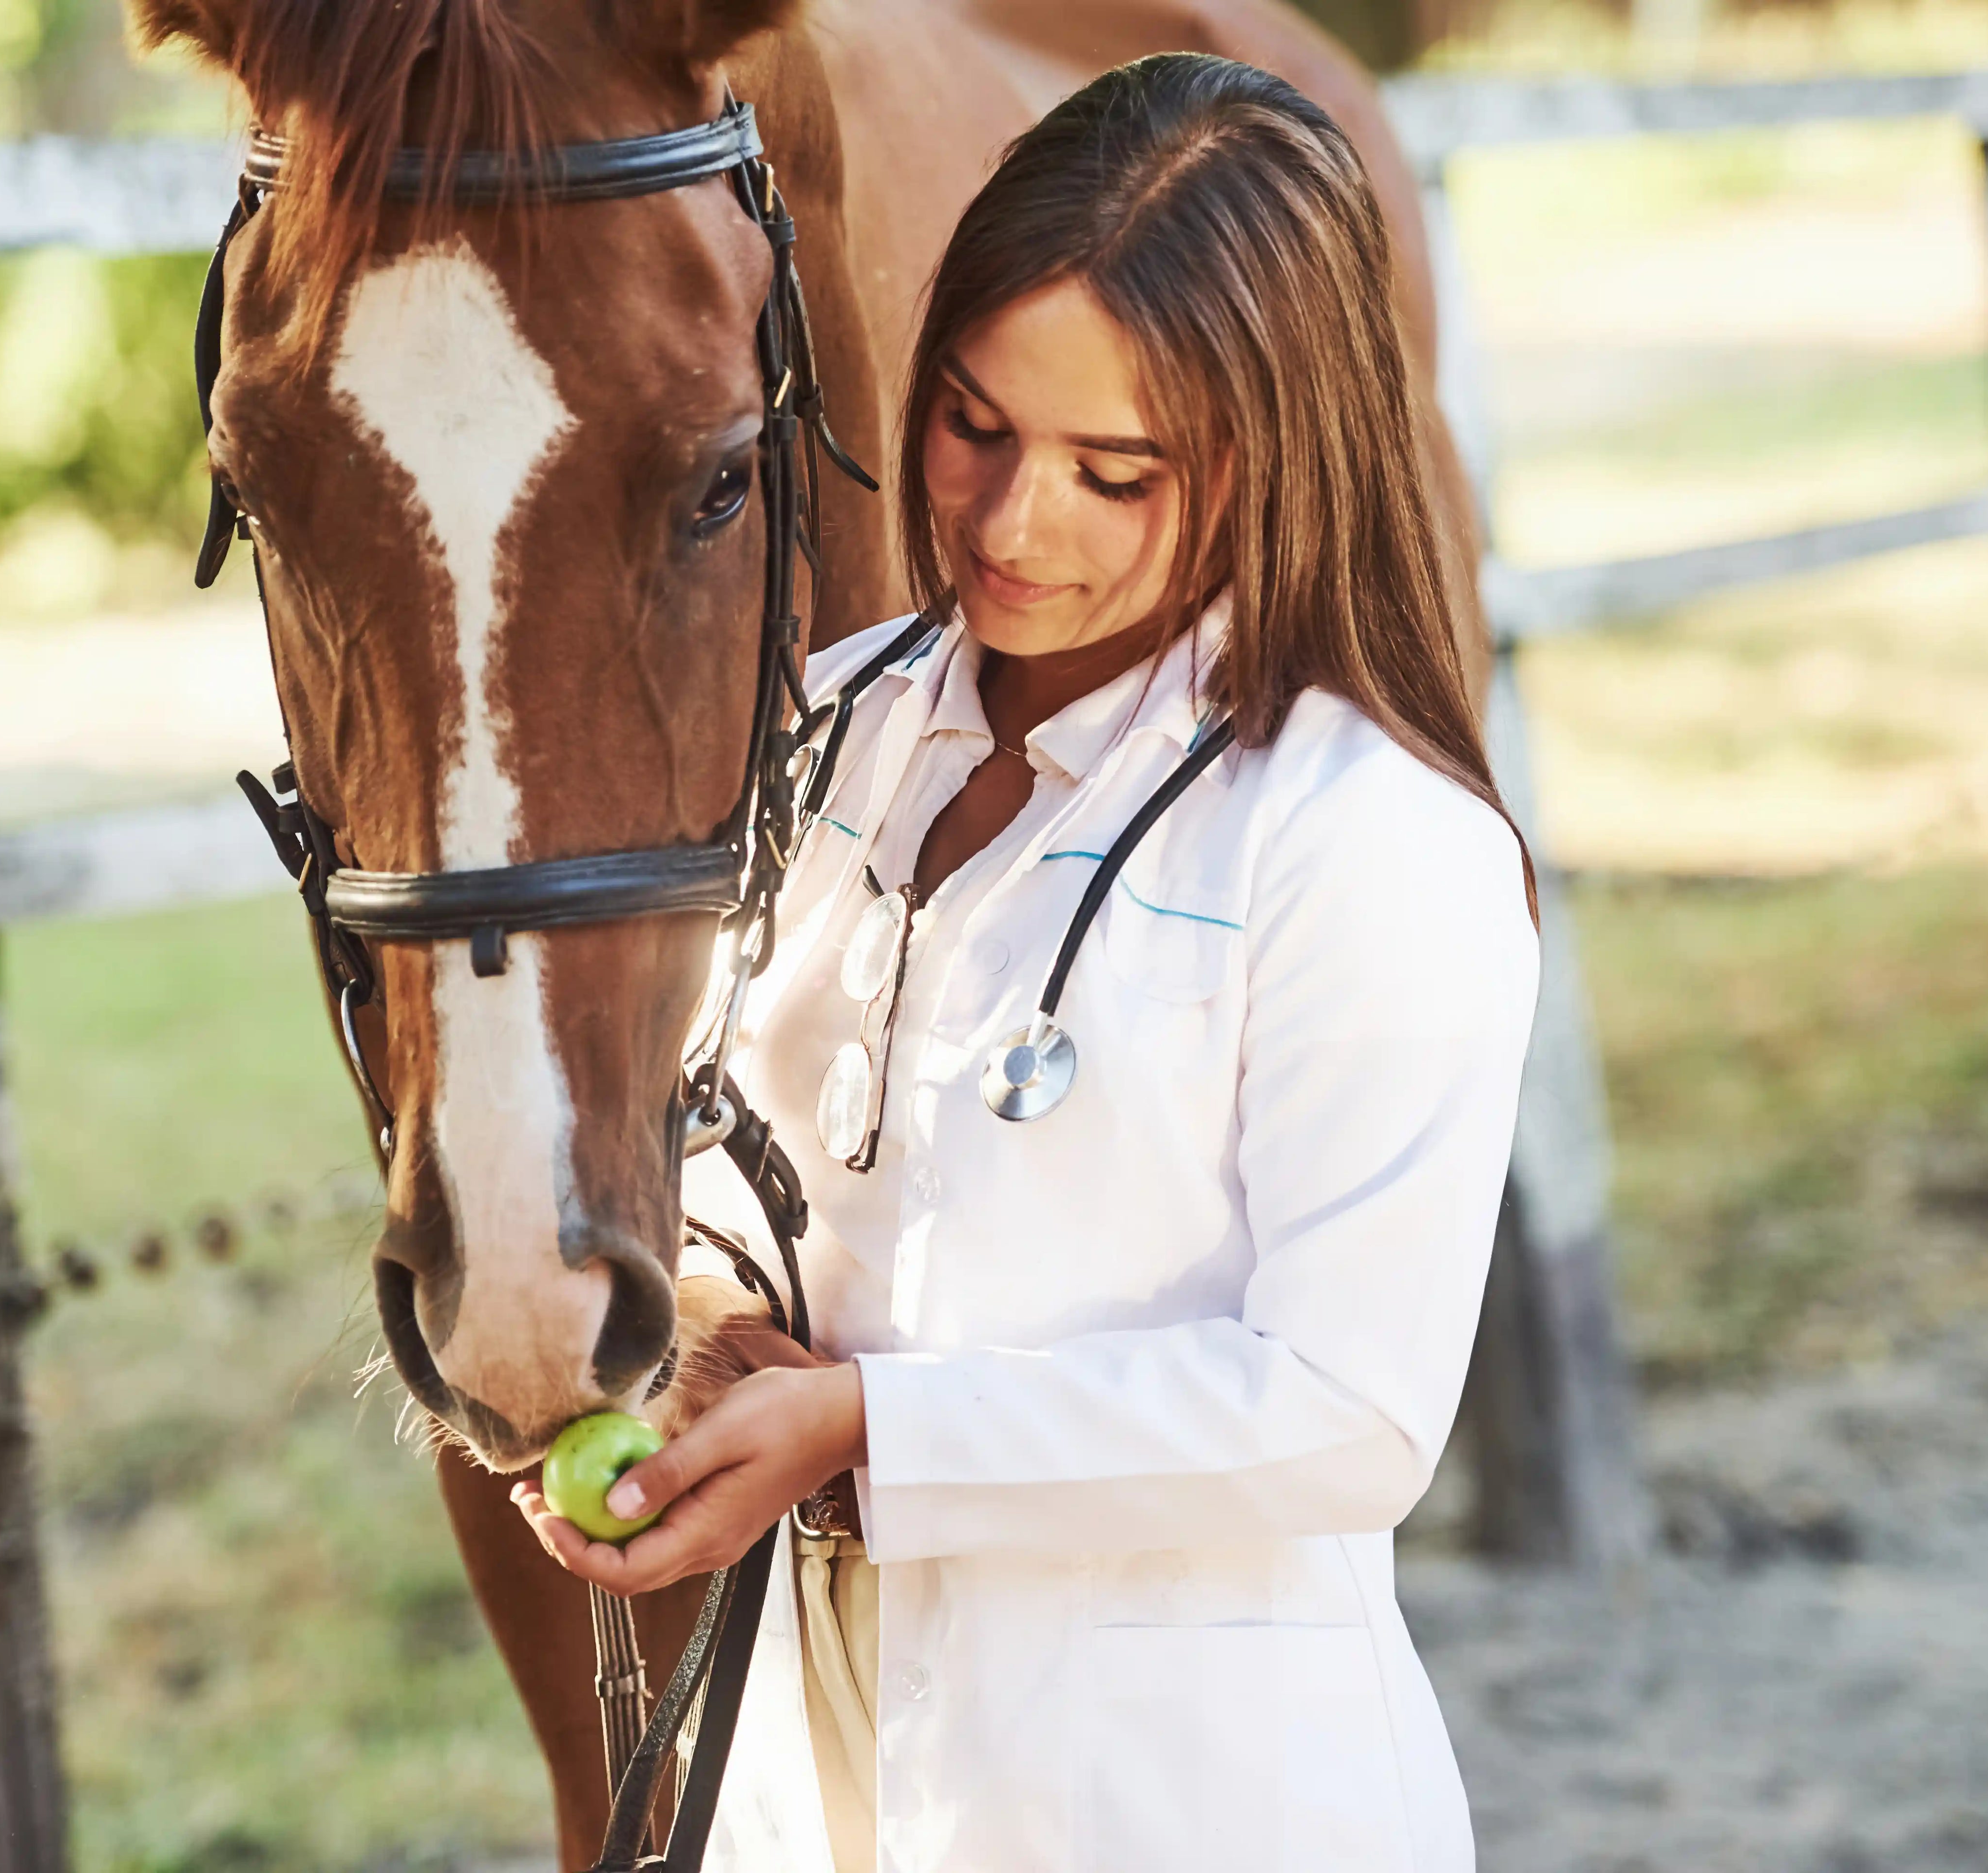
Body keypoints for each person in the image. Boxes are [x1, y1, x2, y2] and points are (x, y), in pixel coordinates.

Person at [513, 51, 1539, 1873]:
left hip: (1184, 1805)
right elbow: (739, 1148)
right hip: (800, 1769)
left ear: (1267, 460)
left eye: (1112, 470)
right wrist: (687, 1329)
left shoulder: (1367, 838)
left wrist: (866, 1433)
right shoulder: (820, 737)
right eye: (975, 424)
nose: (1008, 524)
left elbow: (1351, 1409)